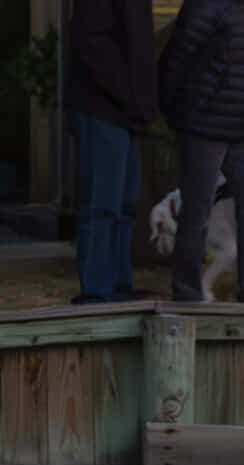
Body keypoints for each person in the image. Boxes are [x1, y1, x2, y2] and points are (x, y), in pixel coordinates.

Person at [158, 0, 244, 303]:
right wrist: (176, 110)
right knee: (198, 209)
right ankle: (187, 291)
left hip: (240, 124)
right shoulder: (205, 6)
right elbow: (177, 58)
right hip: (203, 123)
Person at [65, 0, 158, 304]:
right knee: (103, 205)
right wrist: (133, 97)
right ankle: (97, 288)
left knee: (123, 205)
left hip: (123, 111)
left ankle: (117, 284)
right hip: (103, 108)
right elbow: (92, 43)